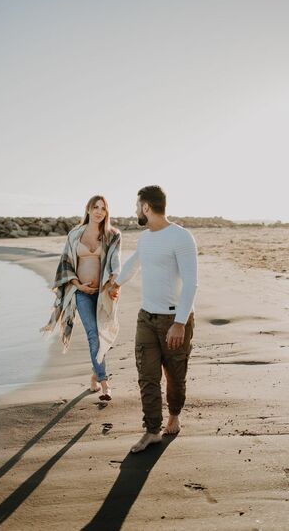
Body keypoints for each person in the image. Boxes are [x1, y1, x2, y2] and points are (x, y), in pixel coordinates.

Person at [109, 185, 198, 452]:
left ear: (146, 207)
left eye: (137, 206)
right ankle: (151, 430)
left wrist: (180, 323)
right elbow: (134, 263)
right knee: (147, 376)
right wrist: (115, 283)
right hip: (146, 318)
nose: (135, 210)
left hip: (175, 320)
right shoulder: (146, 238)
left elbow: (192, 283)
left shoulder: (181, 237)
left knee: (175, 375)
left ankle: (174, 414)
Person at [41, 195, 121, 401]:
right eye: (95, 207)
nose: (99, 211)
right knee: (93, 334)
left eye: (103, 208)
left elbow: (115, 265)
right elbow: (66, 263)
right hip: (80, 293)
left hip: (104, 294)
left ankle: (95, 376)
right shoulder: (75, 234)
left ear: (107, 212)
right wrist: (78, 286)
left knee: (104, 336)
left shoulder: (112, 235)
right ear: (88, 209)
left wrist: (113, 283)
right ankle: (105, 383)